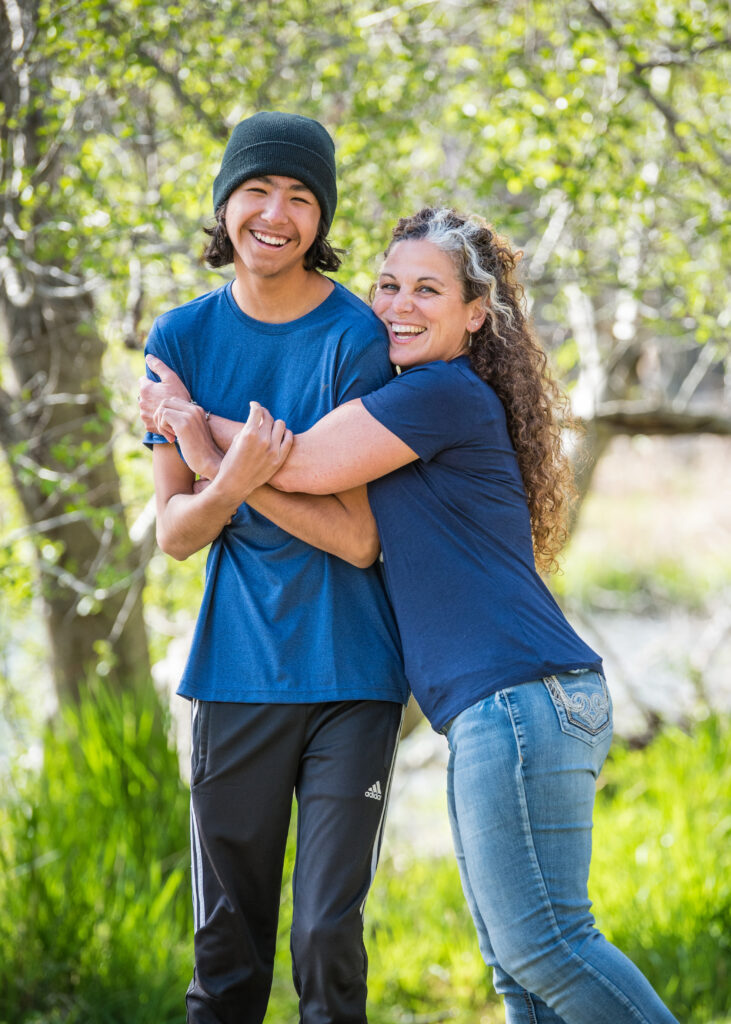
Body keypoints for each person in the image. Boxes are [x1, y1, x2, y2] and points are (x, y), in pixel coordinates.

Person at [143, 206, 680, 1024]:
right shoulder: (420, 398)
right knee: (516, 968)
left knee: (547, 948)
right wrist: (221, 460)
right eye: (387, 284)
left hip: (520, 699)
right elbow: (315, 495)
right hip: (507, 705)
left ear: (475, 314)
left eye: (427, 289)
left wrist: (191, 426)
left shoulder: (438, 392)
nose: (397, 304)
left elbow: (307, 464)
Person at [140, 111, 408, 1024]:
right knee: (228, 944)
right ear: (225, 203)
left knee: (326, 934)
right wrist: (225, 481)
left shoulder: (356, 339)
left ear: (321, 223)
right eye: (257, 189)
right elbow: (176, 533)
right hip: (235, 675)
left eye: (301, 197)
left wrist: (219, 458)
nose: (276, 212)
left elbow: (359, 536)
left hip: (353, 677)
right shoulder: (177, 339)